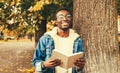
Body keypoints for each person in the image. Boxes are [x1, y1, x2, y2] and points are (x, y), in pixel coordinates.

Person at [32, 7, 85, 73]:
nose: (65, 19)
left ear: (71, 20)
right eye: (61, 17)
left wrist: (79, 68)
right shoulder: (46, 39)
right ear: (56, 21)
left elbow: (79, 67)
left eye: (68, 16)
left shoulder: (77, 40)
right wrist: (44, 65)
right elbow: (35, 62)